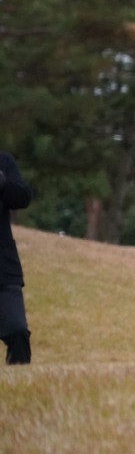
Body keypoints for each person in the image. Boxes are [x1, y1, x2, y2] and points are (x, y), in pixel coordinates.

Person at [1, 151, 36, 365]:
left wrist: (3, 183)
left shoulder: (3, 161)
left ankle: (20, 379)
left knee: (17, 331)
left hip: (3, 269)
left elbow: (23, 197)